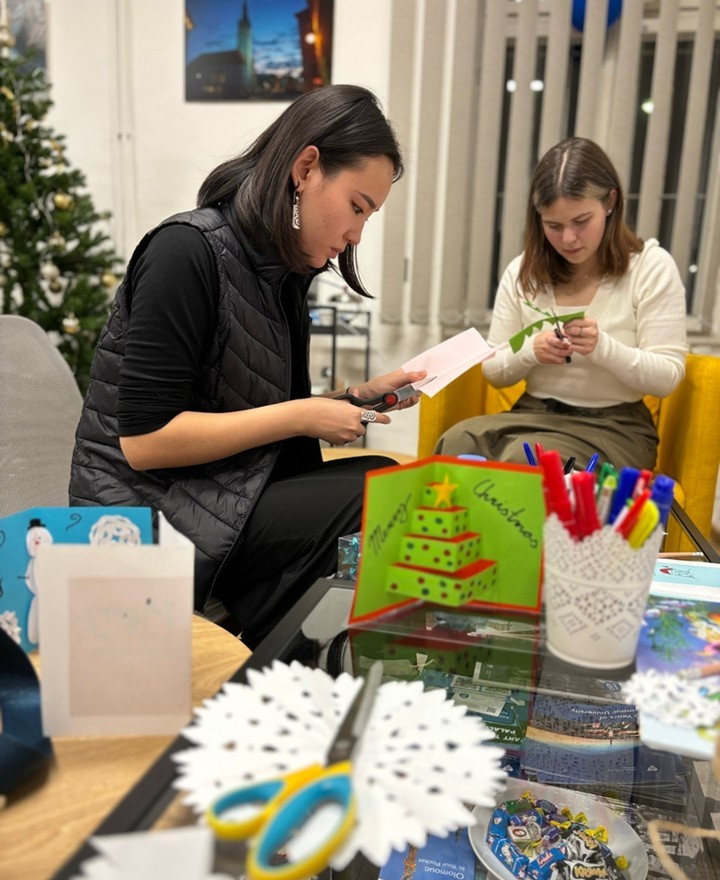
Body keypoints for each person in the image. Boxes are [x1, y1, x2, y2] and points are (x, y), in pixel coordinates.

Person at [70, 84, 423, 647]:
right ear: (306, 168)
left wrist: (350, 399)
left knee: (387, 477)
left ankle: (292, 657)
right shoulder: (184, 251)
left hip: (221, 491)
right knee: (375, 493)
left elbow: (256, 408)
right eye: (357, 207)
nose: (357, 234)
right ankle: (279, 663)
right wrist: (305, 415)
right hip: (148, 511)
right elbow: (143, 442)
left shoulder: (279, 272)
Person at [435, 137, 687, 470]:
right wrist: (530, 351)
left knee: (523, 461)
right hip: (533, 413)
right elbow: (494, 372)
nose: (568, 239)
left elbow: (668, 376)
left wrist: (602, 347)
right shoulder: (523, 272)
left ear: (610, 202)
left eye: (581, 221)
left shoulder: (649, 268)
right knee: (455, 442)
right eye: (553, 226)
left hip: (616, 426)